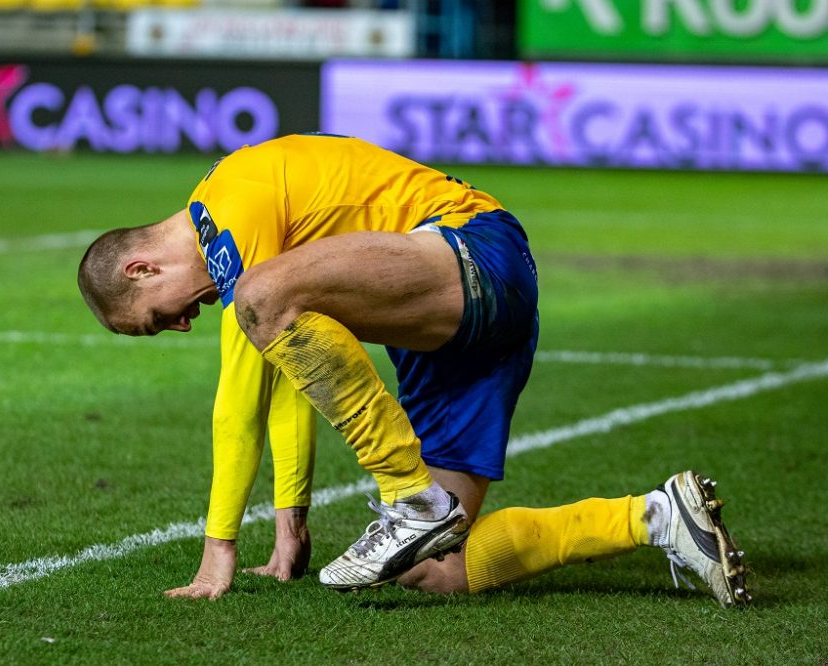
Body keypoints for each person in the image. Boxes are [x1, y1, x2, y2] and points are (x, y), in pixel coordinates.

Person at [77, 133, 750, 606]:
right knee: (434, 570)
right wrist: (290, 523)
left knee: (257, 299)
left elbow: (239, 397)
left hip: (474, 252)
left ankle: (409, 496)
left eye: (158, 317)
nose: (180, 325)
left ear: (143, 270)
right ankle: (659, 517)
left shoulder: (230, 202)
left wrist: (218, 547)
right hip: (447, 335)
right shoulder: (236, 249)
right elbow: (284, 379)